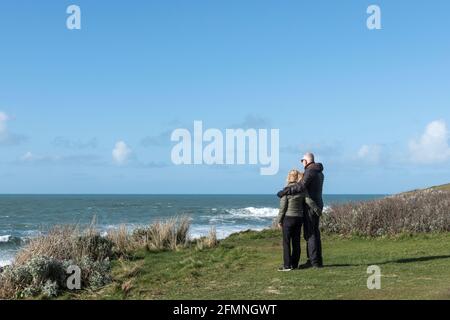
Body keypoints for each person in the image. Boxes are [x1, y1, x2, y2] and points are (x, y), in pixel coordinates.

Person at [277, 152, 325, 268]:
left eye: (302, 160)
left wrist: (285, 191)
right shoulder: (319, 172)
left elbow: (301, 186)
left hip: (310, 206)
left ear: (307, 161)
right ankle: (318, 260)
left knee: (310, 234)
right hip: (317, 203)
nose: (302, 163)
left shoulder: (310, 171)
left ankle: (313, 262)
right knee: (315, 233)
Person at [277, 169, 305, 271]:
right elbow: (307, 202)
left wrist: (279, 221)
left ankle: (287, 265)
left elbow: (282, 208)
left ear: (289, 177)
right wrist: (317, 210)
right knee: (296, 242)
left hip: (288, 218)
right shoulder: (302, 190)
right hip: (299, 218)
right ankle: (295, 264)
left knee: (286, 242)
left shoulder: (286, 190)